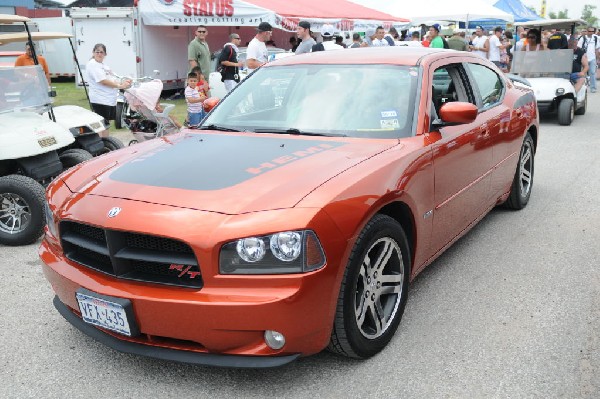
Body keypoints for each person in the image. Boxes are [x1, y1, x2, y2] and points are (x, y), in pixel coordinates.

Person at [85, 43, 131, 137]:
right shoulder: (93, 64)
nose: (99, 54)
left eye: (102, 52)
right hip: (100, 99)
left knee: (106, 123)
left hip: (108, 99)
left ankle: (106, 143)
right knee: (101, 124)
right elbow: (103, 81)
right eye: (97, 52)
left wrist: (124, 81)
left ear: (105, 54)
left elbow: (113, 77)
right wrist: (120, 86)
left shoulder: (103, 65)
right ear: (93, 53)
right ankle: (102, 145)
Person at [577, 26, 599, 93]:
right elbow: (579, 48)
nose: (591, 33)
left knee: (592, 73)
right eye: (590, 31)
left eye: (592, 31)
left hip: (592, 58)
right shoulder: (583, 38)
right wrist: (582, 56)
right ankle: (582, 87)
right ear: (587, 31)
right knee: (583, 74)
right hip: (584, 59)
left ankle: (593, 88)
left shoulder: (595, 38)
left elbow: (597, 49)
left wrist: (597, 59)